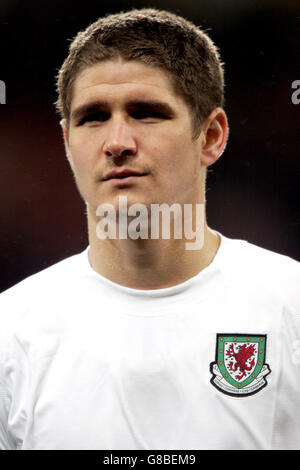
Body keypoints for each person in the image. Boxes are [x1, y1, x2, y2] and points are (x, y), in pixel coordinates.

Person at [0, 8, 299, 451]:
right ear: (67, 142)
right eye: (93, 117)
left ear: (212, 136)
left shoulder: (290, 304)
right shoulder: (11, 330)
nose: (117, 142)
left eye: (146, 113)